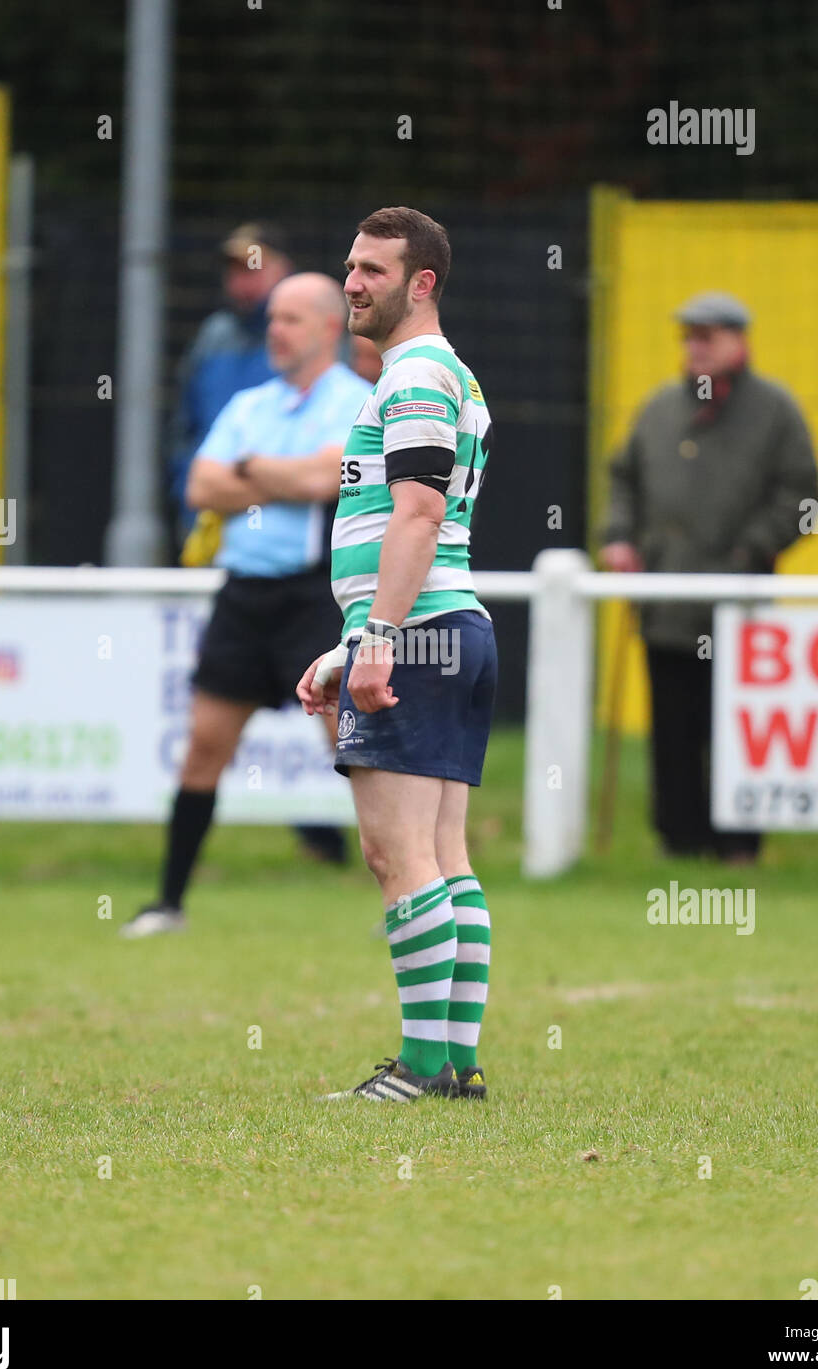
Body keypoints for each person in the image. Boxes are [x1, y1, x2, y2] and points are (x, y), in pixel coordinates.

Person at [297, 207, 497, 1102]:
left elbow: (417, 515)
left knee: (397, 858)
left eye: (372, 270)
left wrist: (374, 635)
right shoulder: (439, 373)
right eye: (349, 266)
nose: (351, 283)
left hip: (416, 635)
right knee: (444, 855)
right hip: (450, 627)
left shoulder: (415, 375)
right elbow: (417, 525)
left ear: (422, 283)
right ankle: (455, 1064)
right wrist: (349, 639)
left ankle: (418, 1071)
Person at [119, 273, 371, 940]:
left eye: (290, 318)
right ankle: (168, 903)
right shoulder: (247, 404)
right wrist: (283, 475)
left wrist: (253, 472)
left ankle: (401, 903)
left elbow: (329, 476)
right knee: (203, 746)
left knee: (353, 752)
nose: (274, 330)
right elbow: (202, 485)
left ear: (326, 328)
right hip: (243, 596)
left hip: (317, 596)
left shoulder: (360, 402)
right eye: (272, 318)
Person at [600, 291, 818, 863]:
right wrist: (619, 537)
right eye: (689, 337)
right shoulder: (660, 407)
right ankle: (679, 839)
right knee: (672, 727)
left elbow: (800, 495)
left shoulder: (775, 410)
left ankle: (739, 843)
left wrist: (754, 549)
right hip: (665, 603)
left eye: (708, 336)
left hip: (740, 607)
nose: (695, 348)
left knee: (737, 729)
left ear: (738, 343)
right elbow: (624, 479)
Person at [168, 221, 293, 539]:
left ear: (283, 270)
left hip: (284, 524)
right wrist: (186, 490)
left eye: (253, 268)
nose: (242, 281)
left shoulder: (310, 337)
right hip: (208, 517)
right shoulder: (213, 336)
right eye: (235, 271)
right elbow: (186, 427)